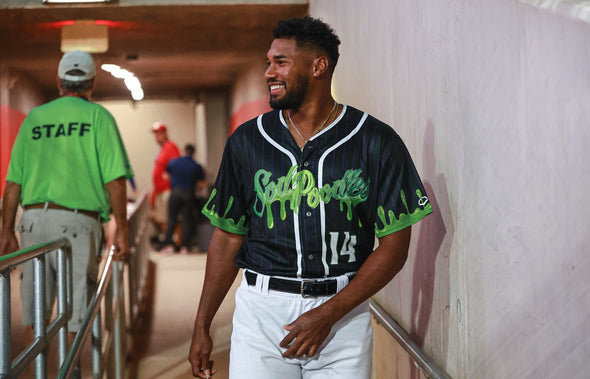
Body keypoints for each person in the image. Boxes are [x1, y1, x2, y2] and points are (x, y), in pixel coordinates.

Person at [188, 16, 433, 379]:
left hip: (343, 316)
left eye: (280, 62)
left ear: (319, 66)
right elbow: (227, 240)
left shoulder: (375, 140)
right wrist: (201, 325)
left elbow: (395, 246)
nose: (269, 72)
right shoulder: (247, 142)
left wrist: (329, 313)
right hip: (263, 314)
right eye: (268, 63)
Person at [0, 50, 133, 375]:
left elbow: (13, 183)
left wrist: (6, 231)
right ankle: (65, 371)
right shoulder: (98, 117)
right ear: (91, 83)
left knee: (35, 309)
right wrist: (123, 232)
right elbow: (116, 182)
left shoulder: (34, 119)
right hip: (78, 224)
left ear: (60, 82)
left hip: (32, 222)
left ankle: (38, 373)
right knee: (72, 310)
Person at [160, 143, 206, 255]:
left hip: (175, 193)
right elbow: (201, 184)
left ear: (184, 150)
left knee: (172, 219)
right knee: (187, 220)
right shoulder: (196, 166)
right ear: (193, 153)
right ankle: (184, 247)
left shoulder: (173, 163)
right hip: (188, 194)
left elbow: (166, 176)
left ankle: (168, 244)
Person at [150, 121, 180, 244]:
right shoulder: (162, 149)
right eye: (155, 134)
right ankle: (167, 240)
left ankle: (172, 242)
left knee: (169, 218)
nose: (157, 136)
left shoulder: (170, 147)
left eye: (159, 133)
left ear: (165, 133)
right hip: (160, 190)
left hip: (167, 189)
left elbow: (176, 167)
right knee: (159, 218)